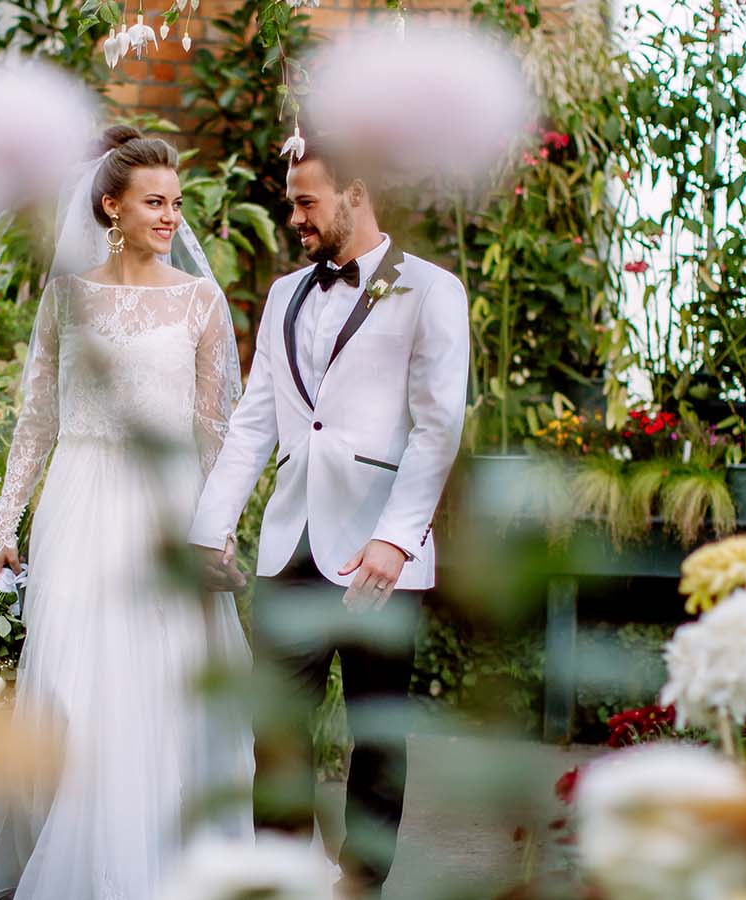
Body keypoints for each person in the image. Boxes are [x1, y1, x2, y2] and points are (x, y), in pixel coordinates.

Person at [189, 135, 470, 896]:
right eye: (291, 201)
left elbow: (438, 427)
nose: (295, 217)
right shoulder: (284, 295)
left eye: (307, 201)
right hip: (290, 550)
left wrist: (396, 538)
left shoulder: (433, 291)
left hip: (382, 556)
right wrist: (209, 528)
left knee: (378, 737)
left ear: (356, 193)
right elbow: (255, 422)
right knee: (276, 738)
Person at [0, 125, 253, 900]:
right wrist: (6, 524)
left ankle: (156, 860)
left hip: (165, 512)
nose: (171, 216)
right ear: (111, 207)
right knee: (71, 677)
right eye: (154, 202)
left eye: (176, 202)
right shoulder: (65, 297)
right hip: (78, 502)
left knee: (158, 680)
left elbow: (216, 432)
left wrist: (217, 531)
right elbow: (36, 419)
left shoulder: (201, 301)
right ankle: (73, 850)